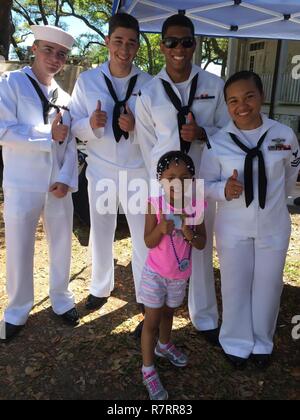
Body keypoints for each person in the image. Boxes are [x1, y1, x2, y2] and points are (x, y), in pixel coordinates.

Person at [135, 14, 229, 344]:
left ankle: (204, 318)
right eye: (172, 42)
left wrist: (204, 133)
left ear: (195, 44)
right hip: (167, 189)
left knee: (199, 247)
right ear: (162, 46)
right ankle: (154, 310)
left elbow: (230, 132)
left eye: (186, 41)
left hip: (201, 182)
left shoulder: (214, 86)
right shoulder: (149, 93)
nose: (179, 48)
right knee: (159, 246)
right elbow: (148, 146)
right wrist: (158, 191)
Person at [200, 71, 299, 369]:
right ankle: (235, 342)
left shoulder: (283, 135)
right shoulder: (218, 142)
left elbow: (292, 175)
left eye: (248, 97)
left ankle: (262, 342)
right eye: (233, 100)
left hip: (273, 225)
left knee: (268, 287)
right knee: (235, 285)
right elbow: (203, 183)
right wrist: (222, 189)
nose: (241, 105)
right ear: (227, 105)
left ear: (261, 96)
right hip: (233, 228)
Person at [70, 13, 152, 328]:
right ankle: (100, 288)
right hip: (101, 171)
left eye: (131, 43)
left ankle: (146, 295)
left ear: (137, 46)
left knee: (142, 238)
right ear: (107, 42)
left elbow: (157, 132)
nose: (124, 48)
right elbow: (75, 124)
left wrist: (136, 129)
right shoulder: (87, 81)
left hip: (136, 172)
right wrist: (90, 125)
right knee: (100, 233)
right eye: (118, 41)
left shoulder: (147, 84)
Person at [0, 25, 79, 343]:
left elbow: (71, 144)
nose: (55, 58)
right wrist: (48, 134)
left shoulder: (65, 96)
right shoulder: (11, 84)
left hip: (56, 184)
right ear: (34, 49)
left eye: (61, 53)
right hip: (22, 182)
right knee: (18, 247)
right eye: (48, 50)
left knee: (61, 243)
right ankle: (17, 310)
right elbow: (3, 131)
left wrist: (66, 178)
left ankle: (61, 300)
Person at [140, 151, 206, 400]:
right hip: (155, 274)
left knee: (170, 313)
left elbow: (201, 243)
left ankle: (164, 345)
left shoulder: (197, 205)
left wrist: (189, 234)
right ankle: (148, 370)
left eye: (183, 177)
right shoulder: (153, 204)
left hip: (179, 275)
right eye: (170, 177)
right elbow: (148, 241)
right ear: (160, 179)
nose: (176, 182)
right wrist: (160, 229)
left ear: (191, 180)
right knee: (152, 321)